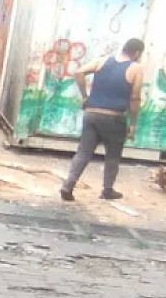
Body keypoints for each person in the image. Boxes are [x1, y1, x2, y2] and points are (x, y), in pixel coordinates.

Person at [59, 38, 145, 202]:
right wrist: (133, 123)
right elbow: (135, 98)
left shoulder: (102, 61)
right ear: (137, 53)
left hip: (92, 114)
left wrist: (85, 97)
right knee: (112, 155)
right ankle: (107, 190)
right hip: (114, 117)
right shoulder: (135, 68)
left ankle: (67, 186)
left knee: (83, 152)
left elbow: (79, 72)